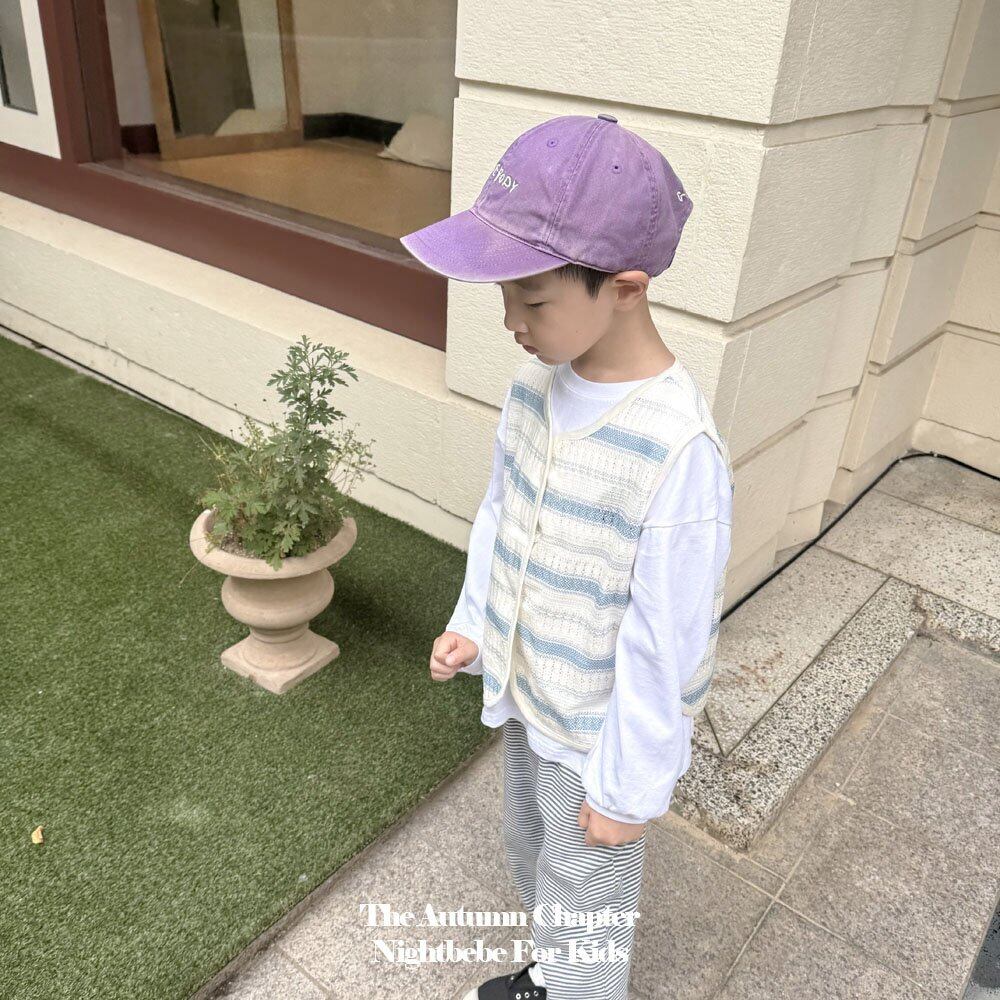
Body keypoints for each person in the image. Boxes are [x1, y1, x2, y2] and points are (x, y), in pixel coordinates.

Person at [401, 113, 734, 1000]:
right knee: (533, 852)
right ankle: (552, 976)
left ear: (625, 288)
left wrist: (629, 789)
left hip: (598, 735)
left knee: (588, 904)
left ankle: (575, 986)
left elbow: (671, 637)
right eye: (505, 297)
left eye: (534, 300)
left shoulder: (675, 449)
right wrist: (476, 624)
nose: (512, 322)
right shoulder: (535, 388)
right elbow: (503, 515)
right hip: (530, 694)